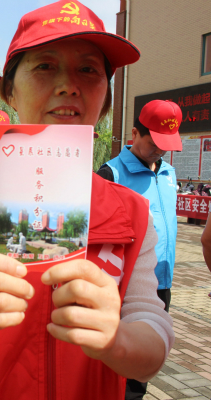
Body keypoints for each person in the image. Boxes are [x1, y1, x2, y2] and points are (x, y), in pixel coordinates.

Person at [0, 2, 174, 399]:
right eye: (44, 66)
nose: (68, 85)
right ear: (6, 90)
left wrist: (116, 340)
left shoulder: (133, 213)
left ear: (107, 98)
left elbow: (153, 337)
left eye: (89, 69)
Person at [97, 99, 181, 399]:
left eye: (166, 144)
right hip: (124, 286)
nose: (160, 150)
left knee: (147, 356)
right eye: (154, 142)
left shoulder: (169, 174)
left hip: (162, 281)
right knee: (123, 368)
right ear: (134, 134)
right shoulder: (110, 175)